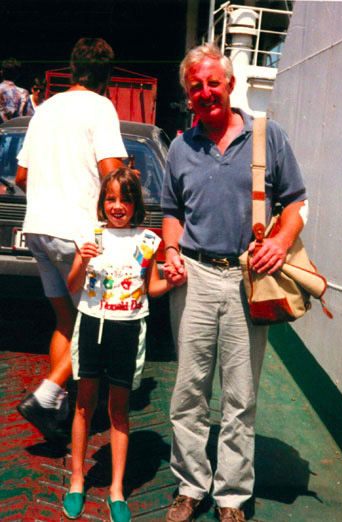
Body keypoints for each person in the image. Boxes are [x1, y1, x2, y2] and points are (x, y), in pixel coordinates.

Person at [161, 43, 308, 522]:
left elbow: (296, 203)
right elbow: (171, 211)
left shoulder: (268, 137)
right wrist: (169, 252)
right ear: (189, 94)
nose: (205, 93)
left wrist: (281, 242)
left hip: (248, 278)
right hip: (195, 277)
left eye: (212, 84)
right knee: (189, 393)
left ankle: (230, 497)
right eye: (195, 87)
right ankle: (190, 486)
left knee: (240, 397)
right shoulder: (181, 146)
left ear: (230, 85)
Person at [15, 37, 128, 441]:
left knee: (65, 320)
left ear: (72, 68)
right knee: (91, 321)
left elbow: (22, 176)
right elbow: (111, 170)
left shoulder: (44, 110)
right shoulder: (101, 107)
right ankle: (46, 395)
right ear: (108, 78)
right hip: (77, 235)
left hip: (38, 229)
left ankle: (56, 404)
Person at [63, 167, 175, 521]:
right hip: (92, 326)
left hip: (128, 329)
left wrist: (171, 281)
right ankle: (78, 480)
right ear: (102, 202)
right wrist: (82, 258)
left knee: (119, 411)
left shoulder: (147, 241)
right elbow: (72, 286)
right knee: (84, 404)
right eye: (111, 199)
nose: (117, 206)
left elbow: (151, 288)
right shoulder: (90, 235)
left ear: (135, 204)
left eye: (125, 199)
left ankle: (116, 489)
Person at [0, 58, 30, 123]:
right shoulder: (23, 92)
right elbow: (29, 117)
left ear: (1, 72)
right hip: (16, 130)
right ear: (18, 75)